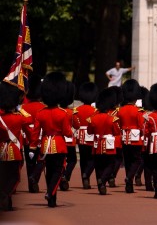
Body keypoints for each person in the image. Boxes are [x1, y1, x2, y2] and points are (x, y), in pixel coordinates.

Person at [32, 72, 73, 207]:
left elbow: (36, 131)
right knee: (59, 171)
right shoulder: (62, 113)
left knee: (49, 172)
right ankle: (50, 193)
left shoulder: (40, 113)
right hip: (59, 145)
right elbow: (67, 133)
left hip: (45, 145)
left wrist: (33, 146)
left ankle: (52, 200)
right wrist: (70, 134)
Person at [0, 82, 32, 211]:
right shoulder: (19, 118)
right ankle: (5, 195)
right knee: (14, 177)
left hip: (1, 150)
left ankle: (5, 197)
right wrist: (20, 109)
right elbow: (29, 120)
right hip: (14, 150)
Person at [87, 88, 122, 195]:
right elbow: (116, 132)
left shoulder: (92, 118)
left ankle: (99, 183)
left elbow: (89, 131)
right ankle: (102, 180)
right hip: (108, 144)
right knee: (110, 164)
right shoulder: (112, 119)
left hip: (97, 144)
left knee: (98, 164)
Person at [116, 79, 145, 194]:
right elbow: (141, 126)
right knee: (137, 160)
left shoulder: (120, 110)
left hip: (124, 138)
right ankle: (129, 178)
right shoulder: (137, 111)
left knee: (127, 161)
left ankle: (129, 186)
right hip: (135, 139)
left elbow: (118, 124)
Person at [20, 74, 45, 193]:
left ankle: (31, 185)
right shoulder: (43, 107)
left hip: (27, 138)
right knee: (41, 160)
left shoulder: (23, 107)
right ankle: (34, 178)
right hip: (40, 138)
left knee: (29, 163)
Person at [75, 82, 99, 189]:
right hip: (91, 135)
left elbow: (75, 124)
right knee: (93, 158)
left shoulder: (77, 110)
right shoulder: (95, 111)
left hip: (80, 135)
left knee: (83, 159)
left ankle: (85, 179)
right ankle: (87, 174)